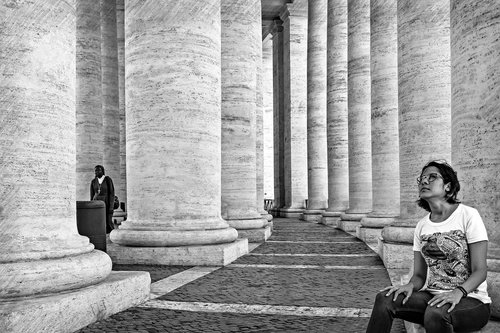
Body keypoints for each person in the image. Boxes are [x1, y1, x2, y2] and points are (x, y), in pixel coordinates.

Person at [366, 160, 491, 333]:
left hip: (471, 301)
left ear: (448, 186)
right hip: (432, 297)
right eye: (422, 178)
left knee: (436, 313)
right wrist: (410, 286)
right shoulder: (422, 225)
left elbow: (480, 271)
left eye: (432, 177)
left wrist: (457, 292)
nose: (424, 181)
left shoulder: (468, 215)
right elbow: (419, 275)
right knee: (385, 298)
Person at [90, 165, 115, 234]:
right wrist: (91, 205)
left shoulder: (107, 180)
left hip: (106, 203)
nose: (96, 172)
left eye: (98, 170)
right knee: (98, 221)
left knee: (108, 222)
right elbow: (92, 195)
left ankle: (111, 235)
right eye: (95, 170)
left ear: (102, 171)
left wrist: (111, 206)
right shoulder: (93, 181)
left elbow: (111, 193)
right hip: (96, 204)